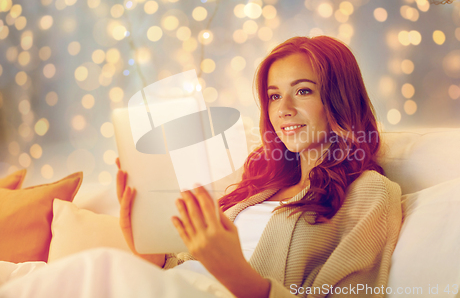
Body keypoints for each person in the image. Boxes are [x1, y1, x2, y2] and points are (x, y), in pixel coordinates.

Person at [117, 36, 402, 298]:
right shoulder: (262, 187)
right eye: (274, 96)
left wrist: (234, 272)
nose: (283, 109)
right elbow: (187, 271)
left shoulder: (370, 191)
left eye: (303, 91)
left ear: (340, 100)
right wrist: (151, 255)